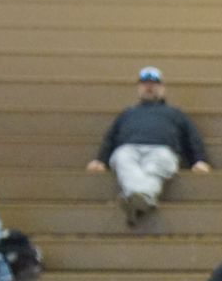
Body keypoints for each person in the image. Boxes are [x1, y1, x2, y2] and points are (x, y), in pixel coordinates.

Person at [87, 67, 212, 225]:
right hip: (128, 149)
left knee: (153, 167)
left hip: (162, 151)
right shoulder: (127, 113)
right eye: (145, 83)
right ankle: (144, 197)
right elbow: (110, 137)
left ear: (162, 88)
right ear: (138, 88)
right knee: (123, 159)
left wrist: (199, 160)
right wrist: (101, 160)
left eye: (154, 84)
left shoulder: (175, 113)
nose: (149, 87)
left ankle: (135, 196)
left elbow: (192, 137)